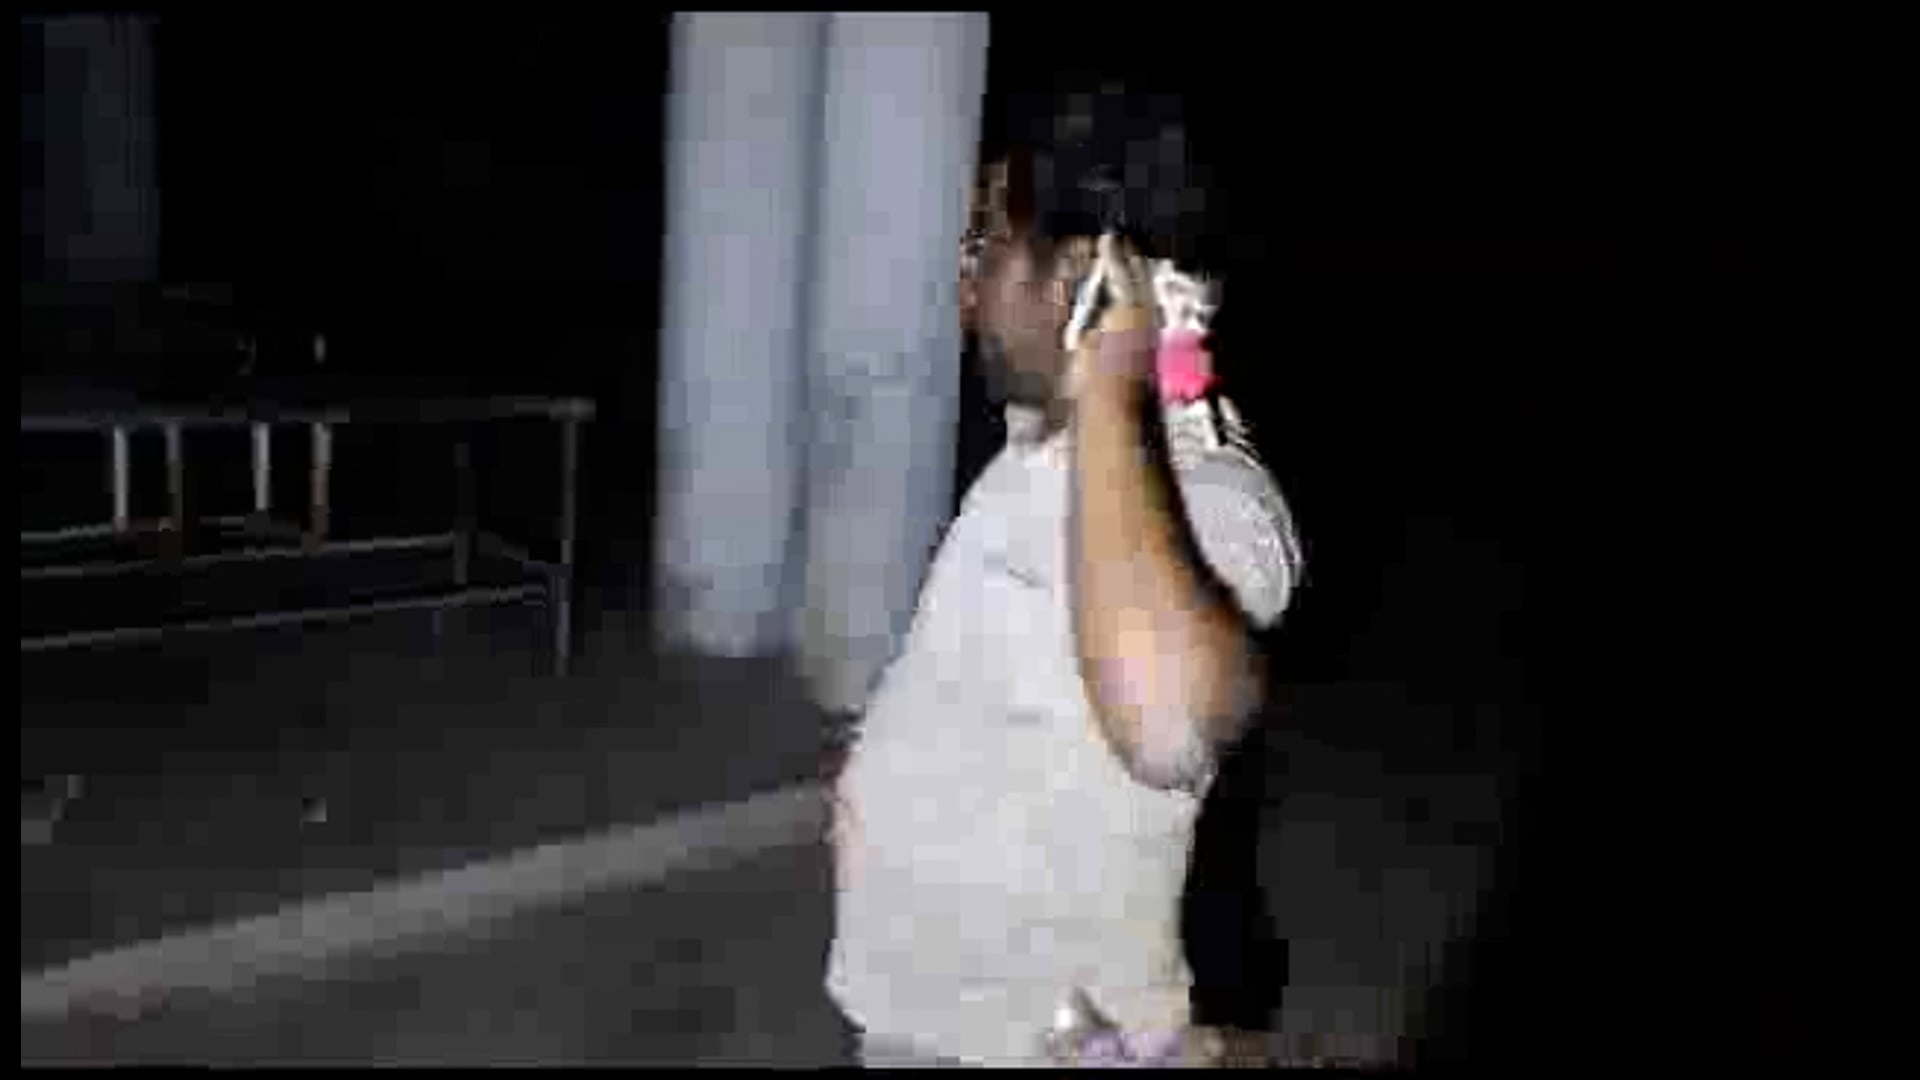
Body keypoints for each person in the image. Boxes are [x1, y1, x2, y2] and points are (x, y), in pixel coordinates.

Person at [826, 79, 1304, 1067]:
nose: (964, 279)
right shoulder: (1035, 452)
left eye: (985, 244)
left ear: (1081, 278)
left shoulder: (1205, 491)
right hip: (929, 1023)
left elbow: (1170, 724)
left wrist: (1114, 371)